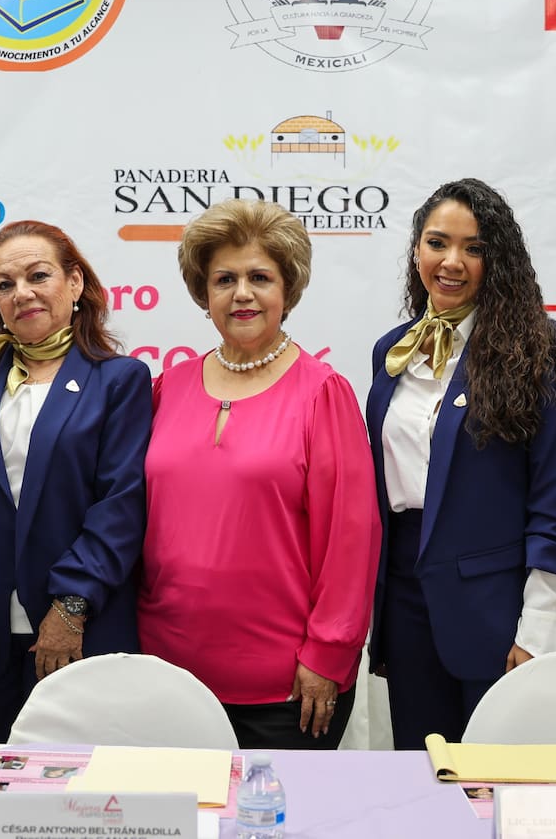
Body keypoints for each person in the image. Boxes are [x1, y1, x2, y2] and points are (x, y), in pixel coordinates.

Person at [137, 198, 381, 750]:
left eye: (259, 277)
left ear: (287, 291)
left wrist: (328, 654)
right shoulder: (166, 388)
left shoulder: (323, 392)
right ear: (204, 295)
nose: (240, 293)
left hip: (287, 687)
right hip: (169, 675)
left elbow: (352, 541)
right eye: (224, 279)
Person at [0, 220, 151, 743]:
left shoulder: (119, 379)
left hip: (83, 628)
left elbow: (120, 507)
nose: (21, 293)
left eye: (37, 276)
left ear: (74, 284)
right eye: (4, 284)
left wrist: (69, 608)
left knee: (85, 799)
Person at [367, 179, 556, 747]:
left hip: (497, 610)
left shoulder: (541, 345)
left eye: (475, 248)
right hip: (406, 602)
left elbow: (555, 496)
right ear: (416, 251)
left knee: (502, 790)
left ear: (498, 259)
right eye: (438, 243)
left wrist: (539, 624)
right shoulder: (393, 349)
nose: (452, 262)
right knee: (421, 776)